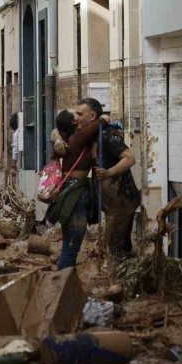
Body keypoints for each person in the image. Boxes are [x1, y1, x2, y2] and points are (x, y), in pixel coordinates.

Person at [48, 99, 109, 270]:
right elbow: (101, 122)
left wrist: (57, 135)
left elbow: (56, 131)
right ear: (73, 122)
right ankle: (63, 288)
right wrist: (104, 118)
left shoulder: (68, 139)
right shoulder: (77, 138)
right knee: (71, 247)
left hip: (70, 191)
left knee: (70, 245)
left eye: (79, 114)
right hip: (75, 194)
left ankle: (65, 287)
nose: (78, 117)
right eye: (75, 115)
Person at [93, 120, 140, 262]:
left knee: (116, 248)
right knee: (119, 247)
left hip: (121, 199)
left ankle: (118, 281)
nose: (77, 119)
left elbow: (130, 158)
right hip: (112, 201)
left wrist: (109, 173)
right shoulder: (91, 136)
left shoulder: (107, 135)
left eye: (80, 114)